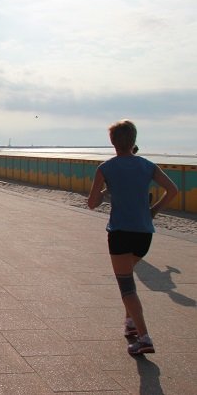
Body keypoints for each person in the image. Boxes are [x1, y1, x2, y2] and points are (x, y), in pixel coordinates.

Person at [87, 120, 178, 356]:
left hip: (120, 234)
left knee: (126, 286)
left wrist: (108, 190)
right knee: (129, 278)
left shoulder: (105, 168)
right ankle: (129, 322)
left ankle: (144, 337)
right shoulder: (147, 165)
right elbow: (173, 190)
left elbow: (92, 204)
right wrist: (154, 211)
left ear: (112, 142)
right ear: (133, 140)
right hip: (144, 235)